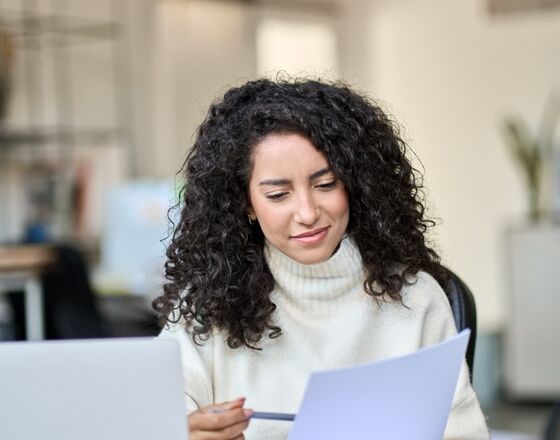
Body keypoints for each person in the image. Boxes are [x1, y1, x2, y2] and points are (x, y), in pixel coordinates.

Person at [153, 78, 489, 440]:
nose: (308, 212)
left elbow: (463, 433)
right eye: (278, 194)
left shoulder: (415, 298)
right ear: (246, 204)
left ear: (354, 184)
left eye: (326, 185)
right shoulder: (207, 307)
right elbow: (148, 421)